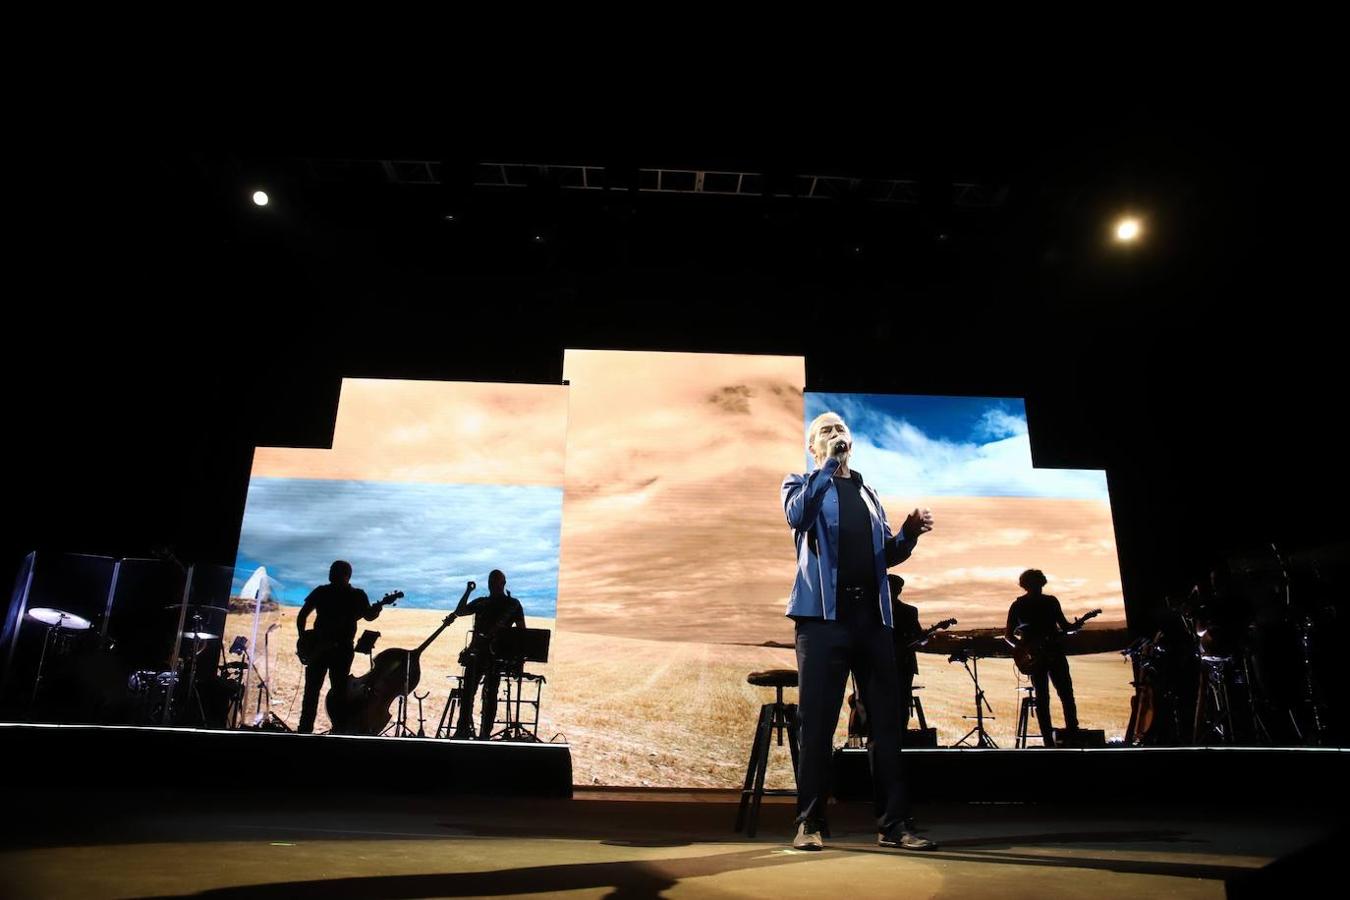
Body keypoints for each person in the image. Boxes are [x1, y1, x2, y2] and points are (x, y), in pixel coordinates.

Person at [782, 411, 938, 852]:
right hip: (822, 622)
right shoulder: (800, 482)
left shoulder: (868, 493)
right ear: (814, 447)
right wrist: (827, 467)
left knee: (886, 724)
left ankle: (895, 825)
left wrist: (908, 534)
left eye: (841, 430)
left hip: (871, 620)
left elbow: (884, 556)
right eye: (825, 432)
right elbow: (799, 516)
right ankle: (810, 822)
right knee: (817, 725)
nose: (836, 435)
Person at [295, 560, 383, 734]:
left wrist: (304, 637)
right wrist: (303, 637)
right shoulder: (352, 594)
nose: (331, 573)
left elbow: (303, 615)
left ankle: (309, 731)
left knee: (322, 693)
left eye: (334, 570)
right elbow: (369, 616)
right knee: (335, 693)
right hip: (336, 651)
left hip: (331, 651)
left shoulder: (324, 592)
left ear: (346, 575)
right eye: (331, 570)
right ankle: (337, 731)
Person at [1004, 569, 1080, 747]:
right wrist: (1026, 650)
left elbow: (1064, 626)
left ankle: (1068, 735)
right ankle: (1057, 739)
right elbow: (1008, 636)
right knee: (1052, 697)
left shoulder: (1049, 602)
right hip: (1039, 658)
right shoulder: (1020, 605)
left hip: (1053, 653)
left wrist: (1074, 627)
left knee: (1061, 695)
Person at [452, 569, 526, 740]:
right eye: (491, 581)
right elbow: (459, 611)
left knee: (489, 695)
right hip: (478, 654)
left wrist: (518, 659)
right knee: (470, 694)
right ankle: (465, 731)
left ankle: (483, 734)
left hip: (495, 656)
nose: (492, 584)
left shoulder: (512, 604)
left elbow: (522, 633)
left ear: (503, 583)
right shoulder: (484, 602)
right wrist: (468, 591)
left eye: (495, 581)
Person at [888, 574, 922, 730]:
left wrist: (918, 641)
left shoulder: (909, 611)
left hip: (904, 664)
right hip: (880, 662)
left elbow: (920, 638)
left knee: (902, 703)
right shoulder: (874, 610)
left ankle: (901, 736)